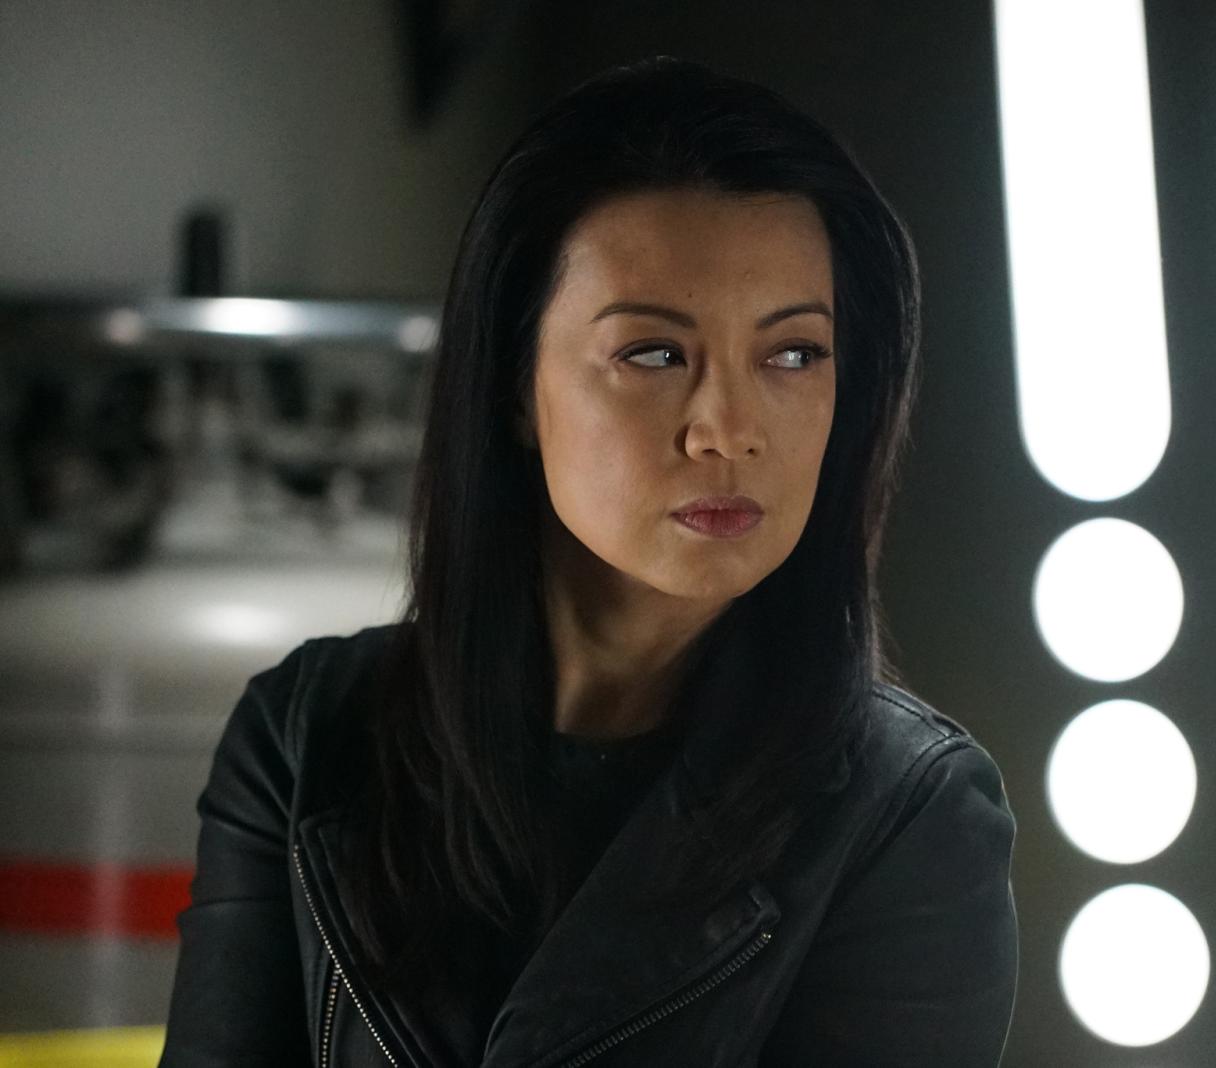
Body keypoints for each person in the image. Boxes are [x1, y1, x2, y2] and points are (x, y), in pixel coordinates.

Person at [159, 55, 1018, 1067]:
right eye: (653, 354)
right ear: (514, 387)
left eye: (793, 355)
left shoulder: (908, 815)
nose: (728, 428)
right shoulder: (309, 736)